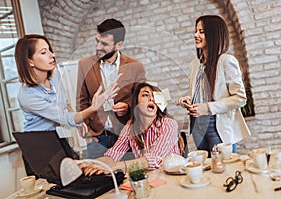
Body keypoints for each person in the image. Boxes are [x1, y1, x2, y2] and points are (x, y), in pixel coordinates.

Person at [175, 15, 250, 155]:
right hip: (197, 128)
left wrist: (208, 108)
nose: (195, 35)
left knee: (224, 170)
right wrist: (189, 100)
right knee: (207, 170)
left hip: (217, 127)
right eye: (196, 31)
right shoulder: (195, 64)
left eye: (201, 32)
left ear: (213, 34)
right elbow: (200, 95)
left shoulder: (226, 61)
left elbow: (240, 98)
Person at [15, 34, 120, 132]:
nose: (52, 55)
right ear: (30, 62)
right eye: (43, 52)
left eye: (49, 50)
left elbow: (65, 105)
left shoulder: (54, 75)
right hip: (37, 143)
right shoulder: (27, 95)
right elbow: (63, 117)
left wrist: (79, 123)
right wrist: (93, 107)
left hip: (55, 137)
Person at [76, 18, 146, 159]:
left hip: (126, 137)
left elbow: (142, 99)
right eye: (97, 41)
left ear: (118, 45)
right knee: (97, 179)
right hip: (97, 139)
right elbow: (81, 101)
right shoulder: (84, 65)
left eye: (104, 44)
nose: (98, 47)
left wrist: (127, 106)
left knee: (129, 177)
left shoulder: (135, 66)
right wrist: (88, 133)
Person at [82, 83, 181, 174]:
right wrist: (88, 163)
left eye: (155, 96)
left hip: (171, 179)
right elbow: (112, 155)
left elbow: (154, 159)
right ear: (136, 103)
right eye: (145, 95)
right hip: (150, 178)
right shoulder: (130, 127)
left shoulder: (169, 124)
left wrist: (115, 166)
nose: (151, 99)